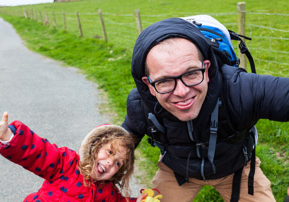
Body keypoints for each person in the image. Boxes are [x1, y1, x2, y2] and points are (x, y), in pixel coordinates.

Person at [122, 17, 289, 202]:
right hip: (177, 172)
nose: (182, 92)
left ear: (207, 69)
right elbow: (119, 143)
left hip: (237, 169)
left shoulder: (238, 89)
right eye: (164, 81)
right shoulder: (141, 104)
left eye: (192, 73)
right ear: (149, 85)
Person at [0, 112, 146, 202]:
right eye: (109, 152)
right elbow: (38, 151)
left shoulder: (108, 191)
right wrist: (7, 134)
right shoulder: (66, 163)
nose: (111, 162)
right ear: (94, 147)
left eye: (118, 163)